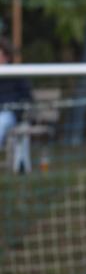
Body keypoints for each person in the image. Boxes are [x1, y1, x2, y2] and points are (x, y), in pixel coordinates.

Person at [0, 38, 33, 173]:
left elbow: (27, 97)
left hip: (10, 115)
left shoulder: (16, 74)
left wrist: (18, 110)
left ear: (6, 56)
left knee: (2, 121)